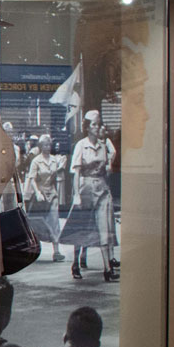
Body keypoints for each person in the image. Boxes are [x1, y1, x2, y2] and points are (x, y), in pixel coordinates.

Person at [63, 110, 117, 282]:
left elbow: (107, 166)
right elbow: (76, 172)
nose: (97, 127)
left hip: (101, 188)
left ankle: (107, 269)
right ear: (87, 127)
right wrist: (77, 194)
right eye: (93, 124)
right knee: (81, 226)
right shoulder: (81, 145)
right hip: (85, 188)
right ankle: (76, 263)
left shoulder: (103, 146)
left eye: (98, 124)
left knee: (104, 227)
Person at [24, 132, 65, 262]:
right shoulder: (36, 160)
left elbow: (56, 175)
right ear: (41, 146)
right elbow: (32, 178)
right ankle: (32, 249)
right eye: (45, 144)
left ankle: (56, 251)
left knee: (54, 221)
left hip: (52, 193)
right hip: (40, 195)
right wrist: (37, 192)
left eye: (49, 144)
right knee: (37, 222)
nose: (47, 147)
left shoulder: (54, 159)